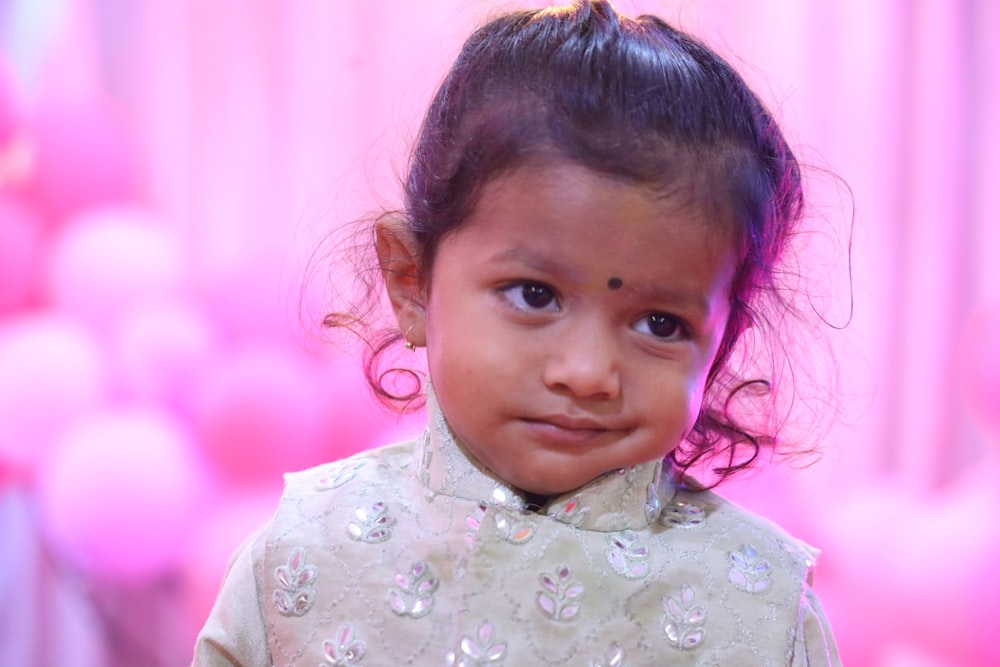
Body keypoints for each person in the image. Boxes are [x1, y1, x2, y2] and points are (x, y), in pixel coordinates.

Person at [192, 1, 842, 664]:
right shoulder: (303, 555)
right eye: (536, 295)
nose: (586, 372)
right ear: (411, 280)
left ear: (724, 340)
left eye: (660, 323)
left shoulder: (761, 610)